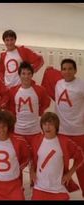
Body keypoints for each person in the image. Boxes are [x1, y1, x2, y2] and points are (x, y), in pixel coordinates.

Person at [41, 58, 84, 197]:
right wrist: (48, 70)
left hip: (78, 131)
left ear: (75, 70)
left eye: (70, 68)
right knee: (59, 164)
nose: (67, 71)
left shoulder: (81, 85)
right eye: (64, 69)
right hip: (61, 132)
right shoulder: (59, 83)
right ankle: (60, 191)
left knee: (81, 166)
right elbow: (49, 80)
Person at [29, 112, 84, 200]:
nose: (47, 127)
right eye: (45, 124)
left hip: (58, 189)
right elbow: (31, 157)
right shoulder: (36, 140)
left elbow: (81, 157)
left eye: (50, 124)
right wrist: (32, 171)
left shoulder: (65, 142)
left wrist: (70, 173)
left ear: (56, 126)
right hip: (39, 187)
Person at [0, 110, 30, 200]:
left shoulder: (19, 141)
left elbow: (26, 157)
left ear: (9, 126)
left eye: (4, 126)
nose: (1, 130)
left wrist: (17, 169)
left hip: (14, 184)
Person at [6, 61, 50, 145]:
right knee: (20, 156)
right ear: (19, 75)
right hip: (18, 131)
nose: (26, 76)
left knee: (34, 156)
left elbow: (46, 102)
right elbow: (10, 108)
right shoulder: (13, 91)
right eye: (23, 73)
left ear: (32, 75)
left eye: (29, 73)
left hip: (35, 131)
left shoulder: (40, 90)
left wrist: (39, 112)